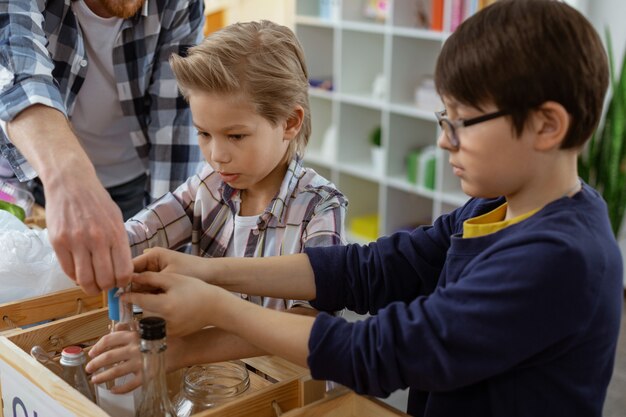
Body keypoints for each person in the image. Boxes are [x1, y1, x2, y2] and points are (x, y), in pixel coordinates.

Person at [92, 1, 625, 416]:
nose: (444, 141)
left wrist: (214, 305)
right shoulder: (493, 207)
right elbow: (371, 269)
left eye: (460, 122)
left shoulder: (561, 259)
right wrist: (207, 269)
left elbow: (381, 351)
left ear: (546, 125)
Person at [86, 20, 348, 391]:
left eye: (236, 135)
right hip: (214, 382)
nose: (217, 155)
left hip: (290, 390)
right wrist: (102, 248)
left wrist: (182, 348)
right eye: (204, 133)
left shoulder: (320, 207)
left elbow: (308, 325)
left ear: (289, 122)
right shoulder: (206, 187)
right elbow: (142, 233)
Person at [0, 0, 205, 295]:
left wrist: (171, 246)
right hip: (33, 174)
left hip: (136, 181)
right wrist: (70, 180)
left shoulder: (181, 4)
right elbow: (17, 67)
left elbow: (173, 131)